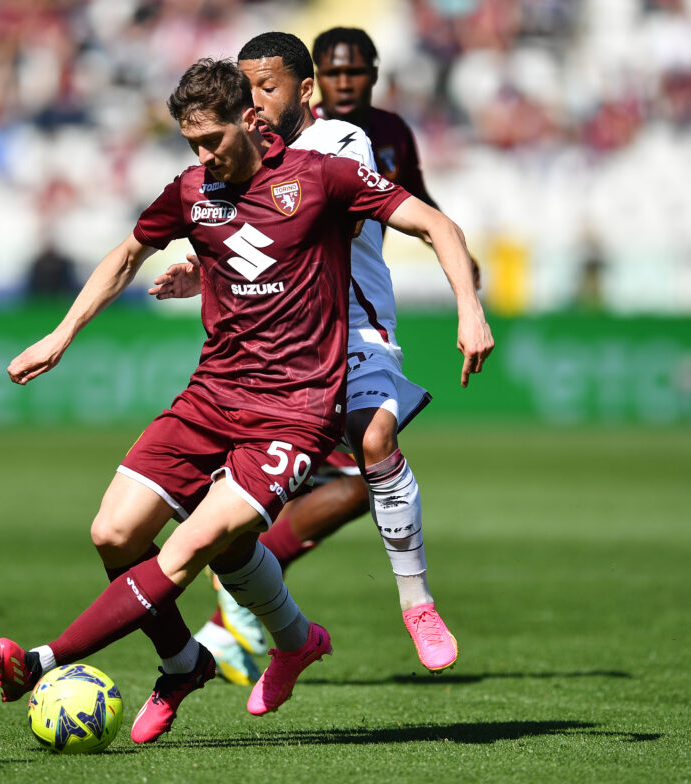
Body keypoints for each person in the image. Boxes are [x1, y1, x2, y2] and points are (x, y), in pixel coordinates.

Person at [0, 57, 492, 744]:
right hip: (212, 395)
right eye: (190, 144)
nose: (202, 157)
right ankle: (191, 662)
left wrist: (470, 309)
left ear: (252, 121)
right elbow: (126, 253)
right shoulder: (193, 190)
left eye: (212, 141)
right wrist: (61, 334)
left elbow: (436, 224)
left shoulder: (322, 178)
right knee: (112, 533)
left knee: (197, 544)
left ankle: (43, 659)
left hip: (294, 409)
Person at [149, 32, 490, 687]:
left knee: (374, 440)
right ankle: (282, 638)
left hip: (352, 330)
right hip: (272, 349)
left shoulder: (340, 144)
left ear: (305, 92)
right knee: (223, 522)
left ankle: (417, 605)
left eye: (266, 88)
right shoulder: (242, 160)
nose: (252, 102)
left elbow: (309, 226)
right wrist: (206, 270)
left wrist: (468, 308)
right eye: (244, 89)